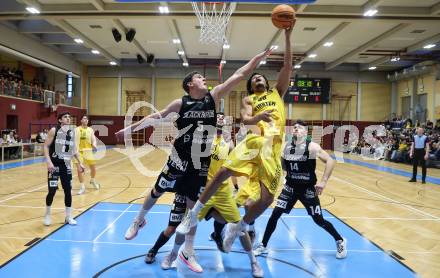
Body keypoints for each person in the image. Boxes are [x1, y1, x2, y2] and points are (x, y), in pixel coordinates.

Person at [117, 49, 272, 271]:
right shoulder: (180, 103)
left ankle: (188, 252)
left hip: (199, 164)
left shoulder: (214, 96)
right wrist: (130, 129)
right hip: (179, 158)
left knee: (192, 210)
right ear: (190, 83)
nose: (204, 79)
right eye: (199, 77)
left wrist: (257, 58)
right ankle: (139, 219)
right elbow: (155, 117)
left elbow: (238, 74)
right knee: (157, 190)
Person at [177, 25, 293, 255]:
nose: (258, 79)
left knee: (266, 200)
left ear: (268, 84)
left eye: (261, 77)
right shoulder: (250, 100)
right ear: (251, 86)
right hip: (253, 143)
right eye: (255, 79)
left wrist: (288, 36)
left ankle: (237, 227)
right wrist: (257, 117)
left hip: (273, 149)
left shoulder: (277, 93)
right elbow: (245, 120)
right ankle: (193, 215)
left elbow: (287, 65)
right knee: (223, 173)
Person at [253, 120, 347, 259]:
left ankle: (340, 240)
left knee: (319, 220)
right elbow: (284, 166)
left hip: (307, 189)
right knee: (275, 214)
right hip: (290, 188)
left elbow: (330, 161)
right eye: (295, 127)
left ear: (305, 131)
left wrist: (323, 182)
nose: (296, 128)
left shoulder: (312, 147)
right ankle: (263, 245)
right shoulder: (286, 147)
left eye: (300, 127)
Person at [43, 112, 85, 226]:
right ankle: (47, 214)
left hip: (66, 165)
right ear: (60, 120)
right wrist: (49, 162)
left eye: (69, 117)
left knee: (68, 191)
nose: (68, 118)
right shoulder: (54, 130)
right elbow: (46, 146)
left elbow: (74, 150)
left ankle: (68, 216)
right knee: (52, 191)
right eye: (65, 117)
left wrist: (80, 163)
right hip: (54, 165)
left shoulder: (72, 133)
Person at [75, 115, 100, 194]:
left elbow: (93, 139)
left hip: (88, 151)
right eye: (84, 118)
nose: (85, 120)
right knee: (80, 170)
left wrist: (94, 145)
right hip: (79, 152)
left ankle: (92, 180)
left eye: (87, 119)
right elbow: (74, 140)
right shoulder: (76, 130)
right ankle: (82, 186)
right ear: (81, 120)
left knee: (93, 168)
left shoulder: (90, 130)